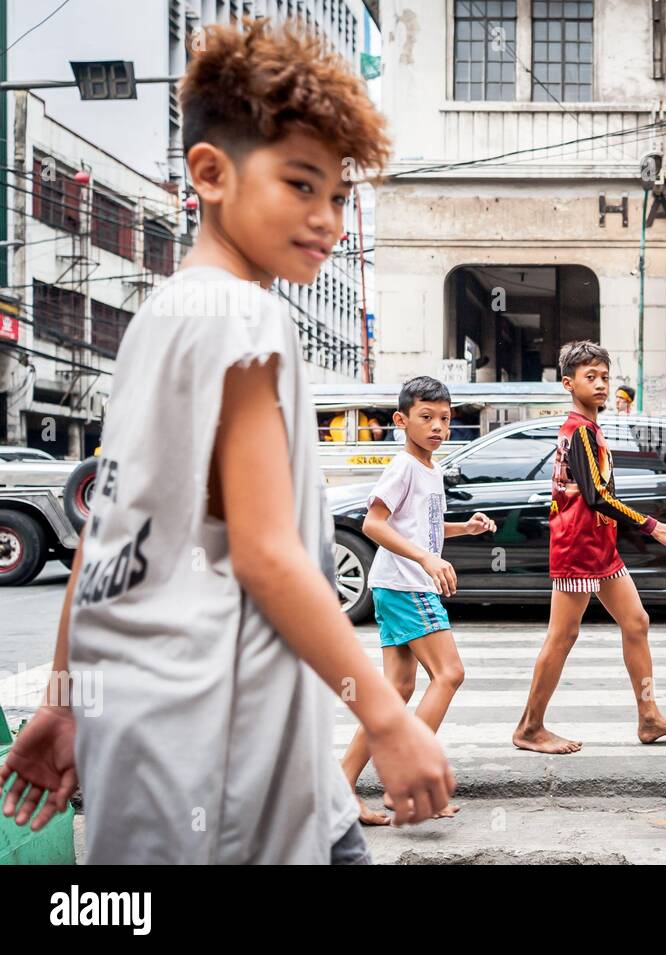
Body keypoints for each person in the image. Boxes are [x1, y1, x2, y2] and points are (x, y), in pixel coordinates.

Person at [0, 20, 454, 863]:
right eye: (300, 184)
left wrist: (63, 701)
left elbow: (108, 535)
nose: (326, 220)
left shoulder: (157, 320)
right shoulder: (245, 316)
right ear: (210, 174)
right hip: (224, 777)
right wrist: (387, 718)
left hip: (165, 763)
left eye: (339, 196)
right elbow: (265, 552)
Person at [512, 341, 666, 754]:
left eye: (604, 377)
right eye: (589, 377)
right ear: (568, 383)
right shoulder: (579, 430)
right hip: (578, 546)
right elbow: (597, 496)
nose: (600, 385)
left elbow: (595, 495)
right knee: (562, 636)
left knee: (636, 623)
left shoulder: (590, 429)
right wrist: (656, 527)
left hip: (598, 545)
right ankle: (529, 727)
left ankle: (649, 718)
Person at [340, 376, 496, 826]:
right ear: (401, 420)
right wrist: (427, 559)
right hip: (407, 585)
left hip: (397, 584)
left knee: (396, 692)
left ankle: (343, 781)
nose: (437, 427)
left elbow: (415, 527)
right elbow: (374, 524)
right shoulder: (404, 466)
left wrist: (462, 529)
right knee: (449, 673)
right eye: (426, 417)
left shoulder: (429, 469)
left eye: (445, 419)